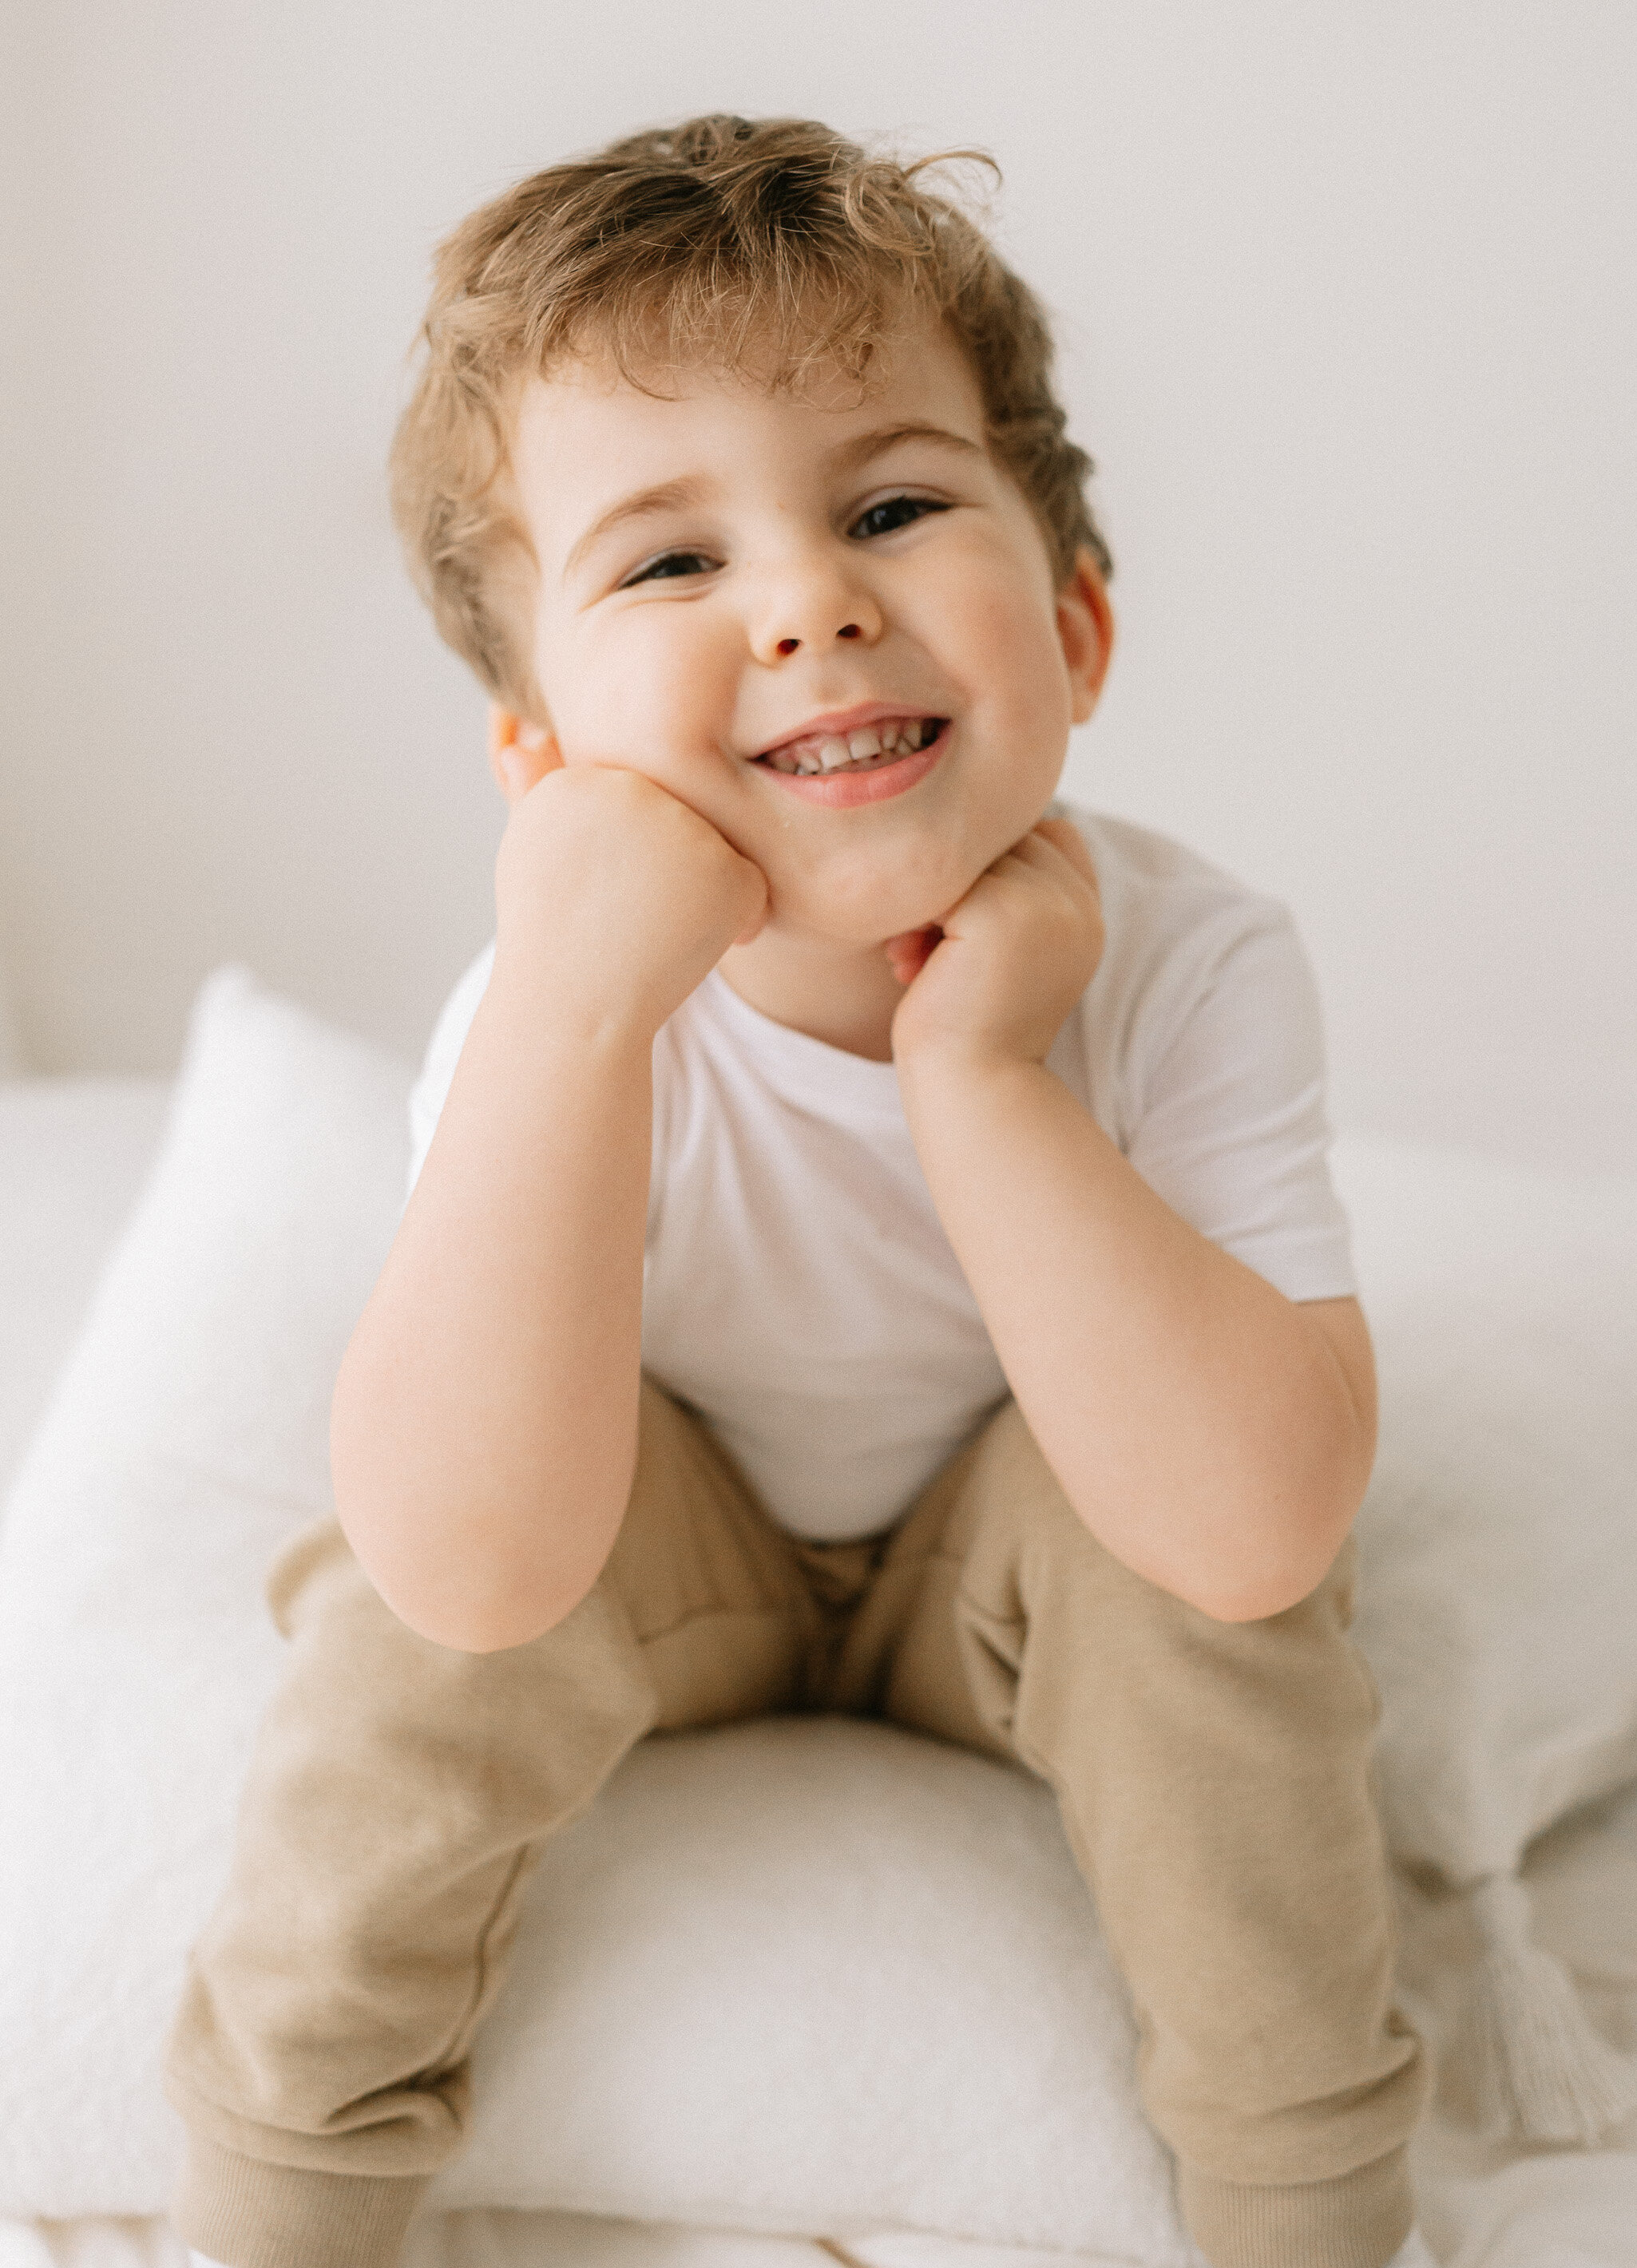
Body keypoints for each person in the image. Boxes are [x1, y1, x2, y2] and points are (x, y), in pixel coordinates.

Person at [165, 114, 1433, 2268]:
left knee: (1202, 1613)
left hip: (1005, 1534)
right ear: (543, 758)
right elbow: (471, 1566)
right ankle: (277, 2212)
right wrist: (573, 1012)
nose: (808, 602)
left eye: (892, 504)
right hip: (665, 1522)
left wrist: (979, 1068)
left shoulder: (1195, 958)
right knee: (393, 1637)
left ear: (1075, 623)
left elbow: (1251, 1522)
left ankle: (1306, 2218)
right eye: (667, 563)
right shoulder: (555, 1008)